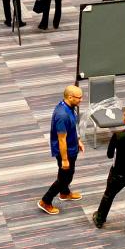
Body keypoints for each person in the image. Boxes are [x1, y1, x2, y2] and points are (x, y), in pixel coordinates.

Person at [38, 86, 84, 215]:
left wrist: (78, 140)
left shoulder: (70, 107)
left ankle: (64, 193)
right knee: (63, 178)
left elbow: (73, 127)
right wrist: (64, 159)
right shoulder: (62, 115)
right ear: (70, 97)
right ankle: (45, 201)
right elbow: (61, 140)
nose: (81, 100)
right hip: (65, 152)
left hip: (72, 147)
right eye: (79, 97)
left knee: (70, 173)